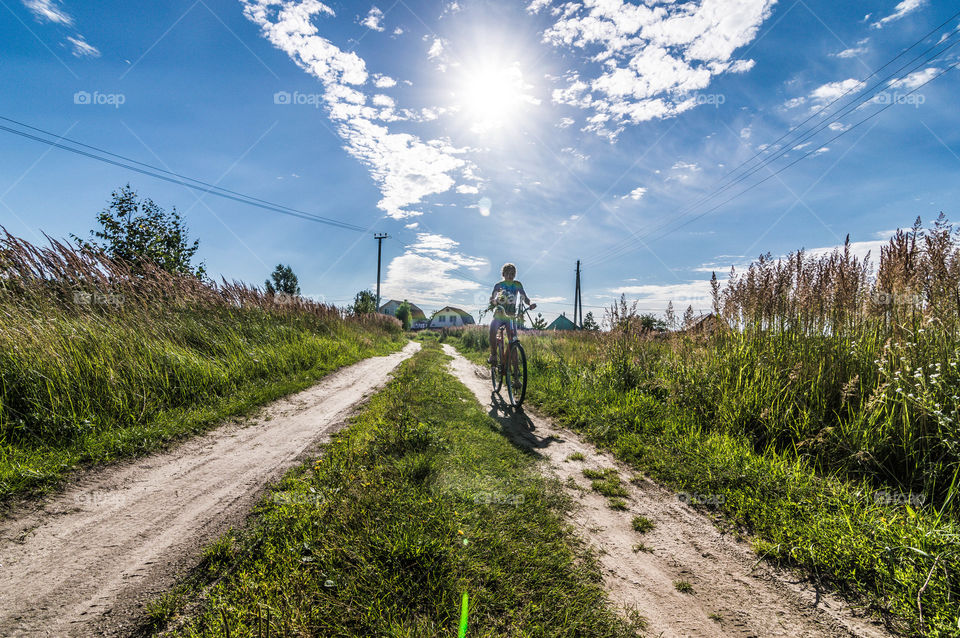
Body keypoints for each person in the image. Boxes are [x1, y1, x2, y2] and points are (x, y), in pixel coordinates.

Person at [488, 263, 536, 364]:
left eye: (513, 274)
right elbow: (494, 295)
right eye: (508, 273)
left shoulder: (517, 284)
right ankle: (493, 355)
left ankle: (515, 375)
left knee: (513, 341)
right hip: (499, 314)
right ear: (503, 274)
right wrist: (493, 300)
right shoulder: (499, 285)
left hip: (511, 316)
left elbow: (525, 297)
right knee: (492, 329)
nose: (511, 276)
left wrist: (530, 304)